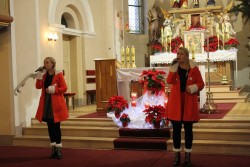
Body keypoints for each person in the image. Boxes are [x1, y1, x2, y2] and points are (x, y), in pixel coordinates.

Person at [166, 47, 204, 167]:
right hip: (176, 102)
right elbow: (169, 81)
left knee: (188, 130)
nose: (179, 56)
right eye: (178, 54)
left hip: (188, 102)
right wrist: (172, 68)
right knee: (176, 131)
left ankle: (187, 156)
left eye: (181, 54)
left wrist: (193, 88)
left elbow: (201, 83)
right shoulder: (175, 67)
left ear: (187, 56)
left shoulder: (194, 68)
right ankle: (177, 155)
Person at [35, 57, 68, 159]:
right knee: (50, 126)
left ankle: (59, 149)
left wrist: (54, 89)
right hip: (46, 103)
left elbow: (64, 88)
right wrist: (39, 77)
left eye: (47, 62)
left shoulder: (58, 74)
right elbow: (38, 87)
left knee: (56, 127)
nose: (45, 64)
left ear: (53, 63)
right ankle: (53, 149)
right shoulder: (43, 74)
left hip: (56, 103)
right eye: (44, 62)